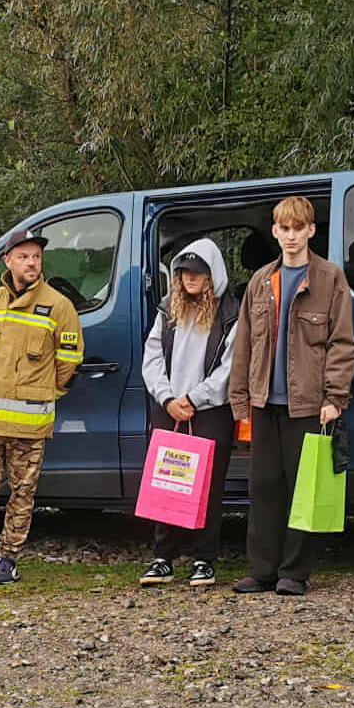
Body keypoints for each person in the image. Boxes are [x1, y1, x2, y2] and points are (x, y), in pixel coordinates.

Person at [227, 196, 354, 597]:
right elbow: (244, 344)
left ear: (311, 231)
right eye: (284, 229)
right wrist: (240, 398)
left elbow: (342, 343)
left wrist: (335, 397)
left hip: (310, 405)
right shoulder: (261, 280)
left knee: (304, 489)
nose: (291, 236)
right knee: (263, 486)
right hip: (264, 403)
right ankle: (261, 570)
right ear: (275, 231)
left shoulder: (330, 279)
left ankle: (293, 573)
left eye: (298, 228)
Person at [0, 225, 85, 586]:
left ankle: (8, 558)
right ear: (7, 261)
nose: (31, 263)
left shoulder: (60, 306)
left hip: (28, 422)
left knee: (22, 495)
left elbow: (68, 363)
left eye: (36, 257)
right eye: (23, 256)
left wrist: (38, 392)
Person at [138, 239, 240, 589]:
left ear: (212, 275)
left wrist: (196, 398)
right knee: (167, 482)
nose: (189, 279)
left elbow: (230, 367)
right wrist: (167, 399)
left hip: (210, 411)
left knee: (208, 488)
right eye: (183, 272)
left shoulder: (230, 314)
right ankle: (163, 557)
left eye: (197, 272)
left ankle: (203, 559)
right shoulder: (168, 309)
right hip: (170, 409)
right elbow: (151, 358)